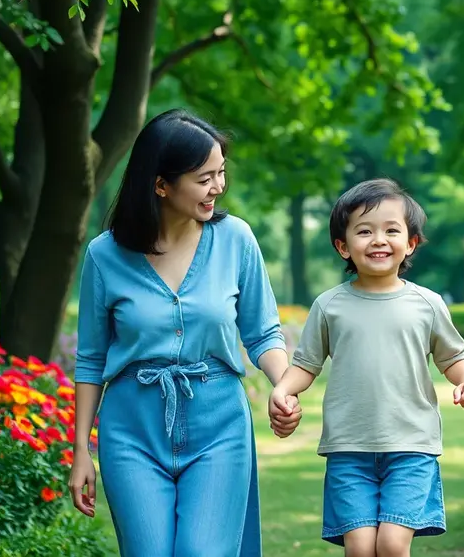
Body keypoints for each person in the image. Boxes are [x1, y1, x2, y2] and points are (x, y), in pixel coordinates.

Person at [67, 108, 301, 557]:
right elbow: (91, 359)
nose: (218, 187)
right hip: (131, 431)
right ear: (161, 184)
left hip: (219, 424)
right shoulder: (105, 255)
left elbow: (263, 332)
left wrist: (284, 388)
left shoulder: (236, 240)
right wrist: (80, 449)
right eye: (204, 177)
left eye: (221, 173)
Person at [268, 178, 464, 557]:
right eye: (364, 231)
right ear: (343, 246)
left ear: (411, 243)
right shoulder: (329, 305)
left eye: (391, 230)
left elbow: (452, 356)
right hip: (348, 448)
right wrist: (283, 390)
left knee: (390, 544)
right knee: (359, 548)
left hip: (411, 445)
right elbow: (306, 363)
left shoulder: (427, 303)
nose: (378, 240)